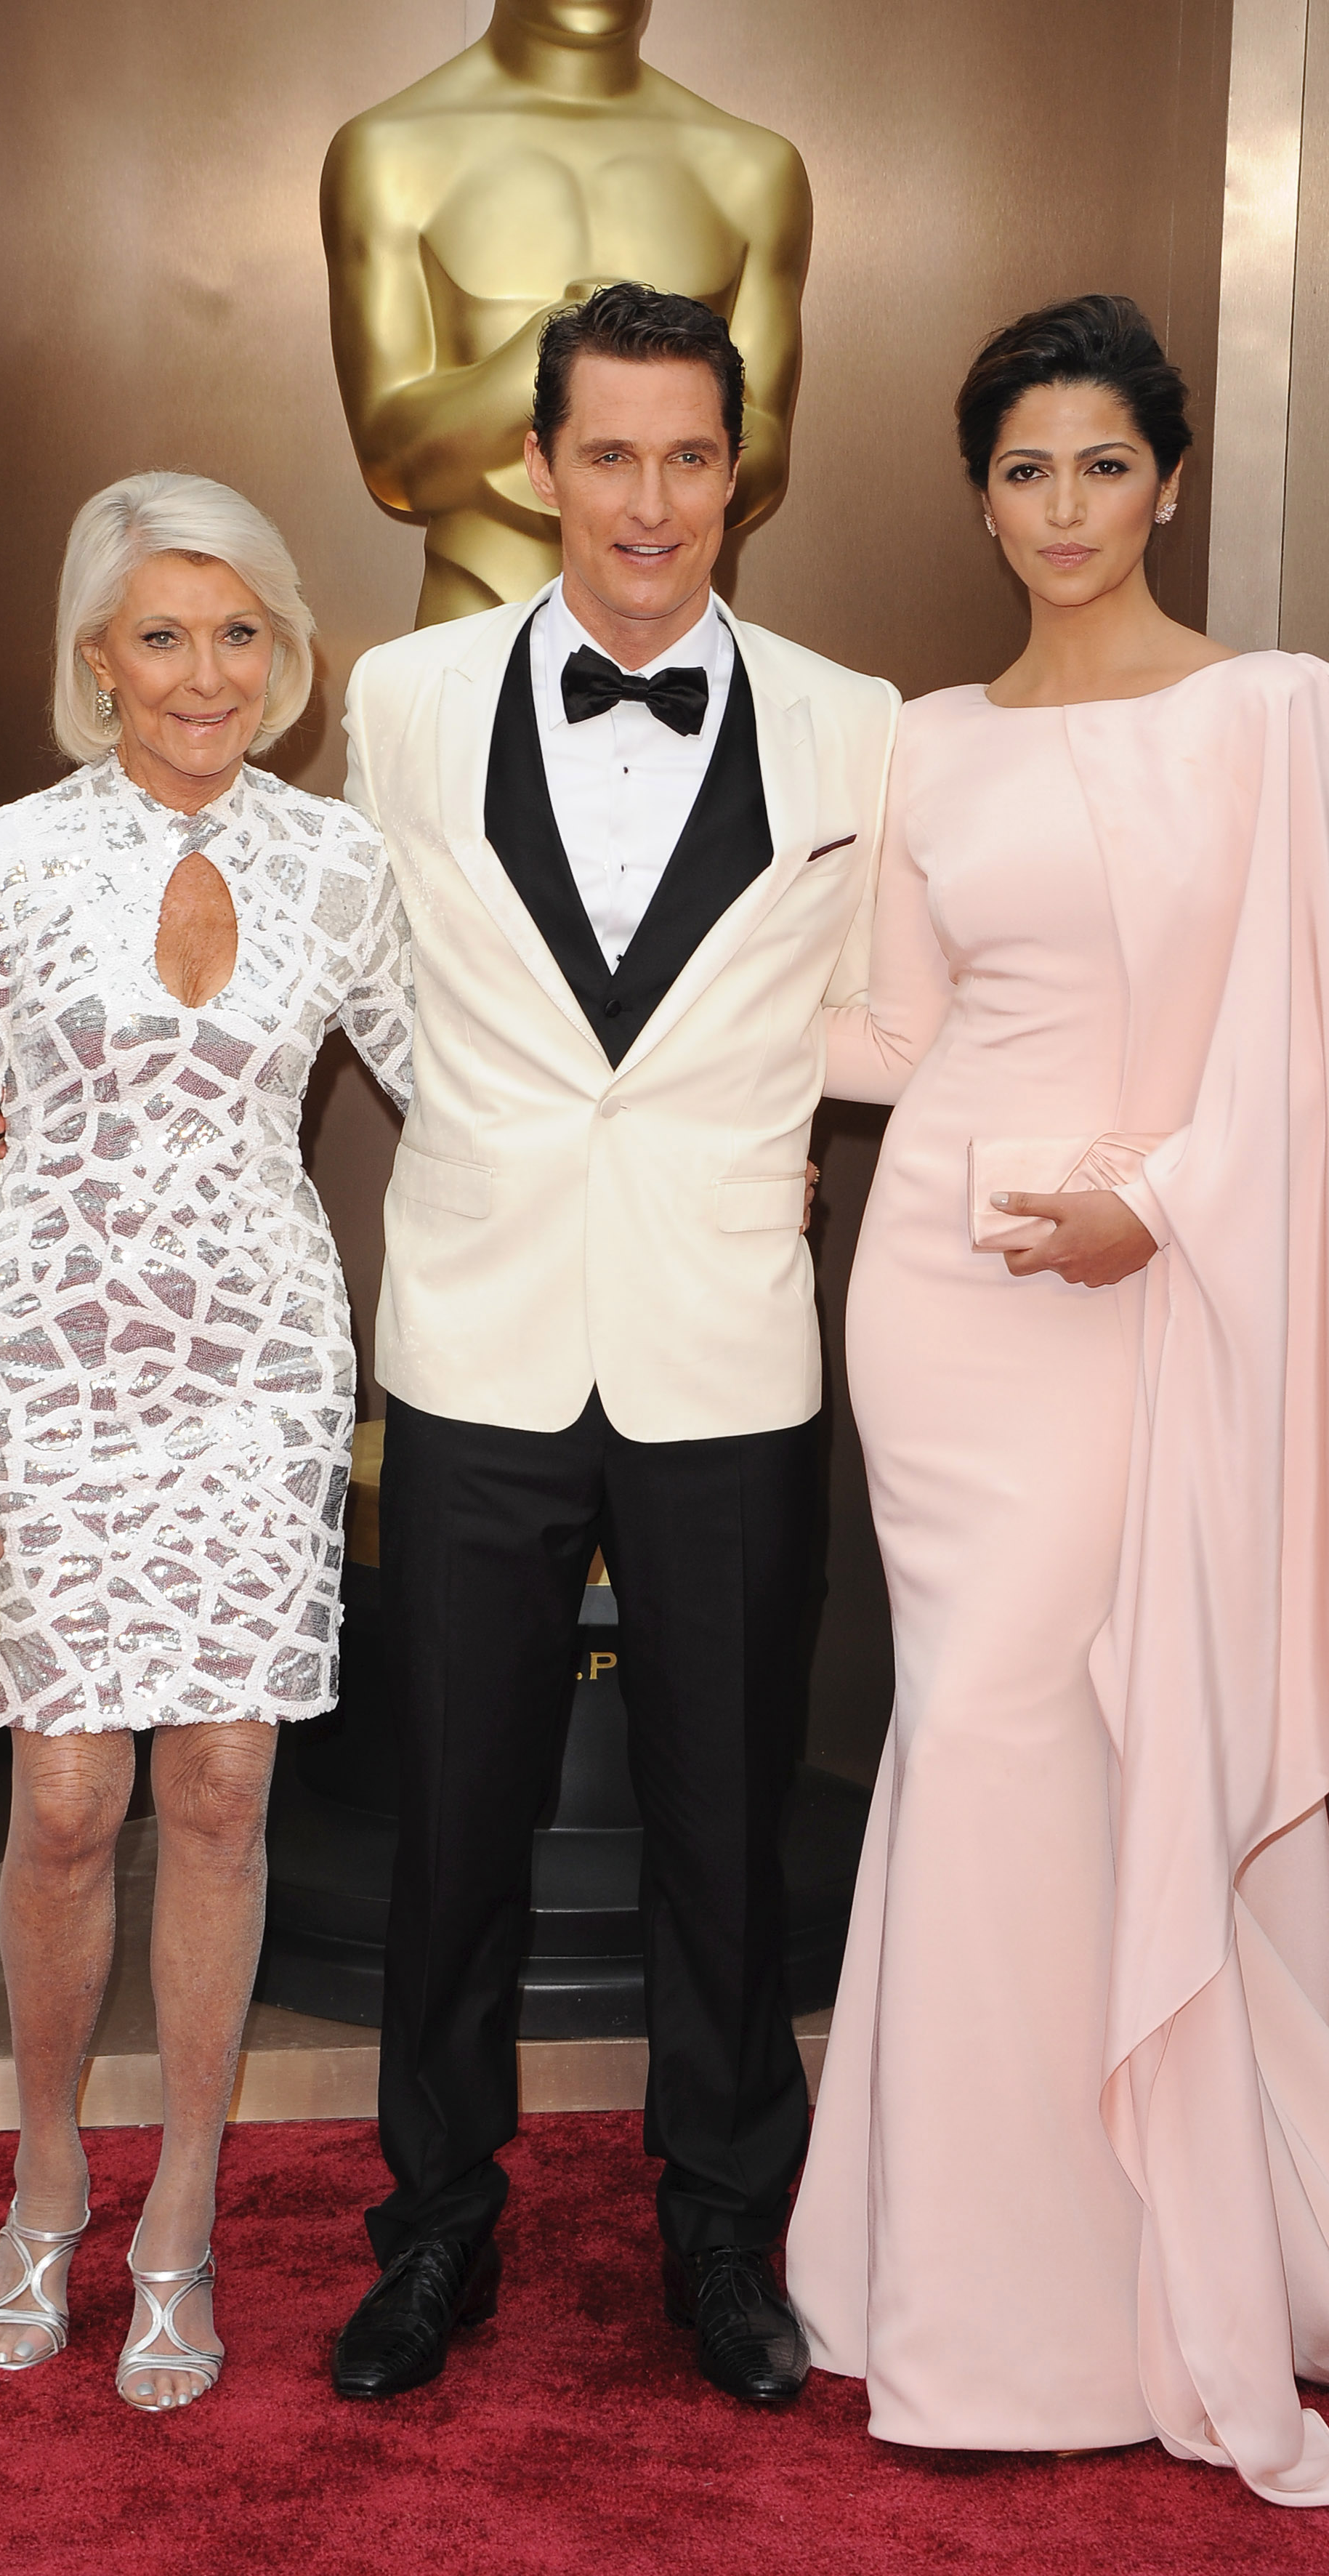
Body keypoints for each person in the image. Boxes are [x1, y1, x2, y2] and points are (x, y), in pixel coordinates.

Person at [785, 294, 1329, 2505]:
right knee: (977, 1731)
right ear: (977, 498)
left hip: (1149, 1285)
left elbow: (1300, 1055)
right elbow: (888, 1027)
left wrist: (1149, 1203)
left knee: (1063, 1743)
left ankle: (1091, 2276)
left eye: (1096, 464)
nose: (1059, 509)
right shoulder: (925, 743)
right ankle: (961, 2280)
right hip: (946, 1302)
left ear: (1166, 477)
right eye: (1018, 471)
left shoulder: (1280, 717)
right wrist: (688, 1048)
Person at [328, 283, 898, 2405]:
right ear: (537, 467)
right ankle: (435, 2227)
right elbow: (352, 977)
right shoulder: (393, 701)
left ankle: (724, 2241)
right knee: (454, 1813)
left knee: (722, 1826)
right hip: (473, 1335)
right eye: (609, 454)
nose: (650, 499)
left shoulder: (864, 725)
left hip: (728, 1341)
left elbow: (901, 1011)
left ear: (738, 472)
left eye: (688, 457)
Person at [0, 470, 413, 2410]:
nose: (205, 672)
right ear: (97, 663)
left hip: (257, 1375)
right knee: (71, 1803)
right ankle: (44, 2182)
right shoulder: (10, 859)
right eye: (162, 636)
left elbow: (471, 1093)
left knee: (223, 1792)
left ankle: (179, 2210)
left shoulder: (346, 864)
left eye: (240, 633)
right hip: (53, 1377)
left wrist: (691, 1152)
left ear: (288, 661)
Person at [323, 0, 809, 623]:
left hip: (678, 631)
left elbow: (759, 449)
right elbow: (393, 463)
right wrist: (574, 335)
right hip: (475, 616)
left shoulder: (755, 170)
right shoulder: (387, 155)